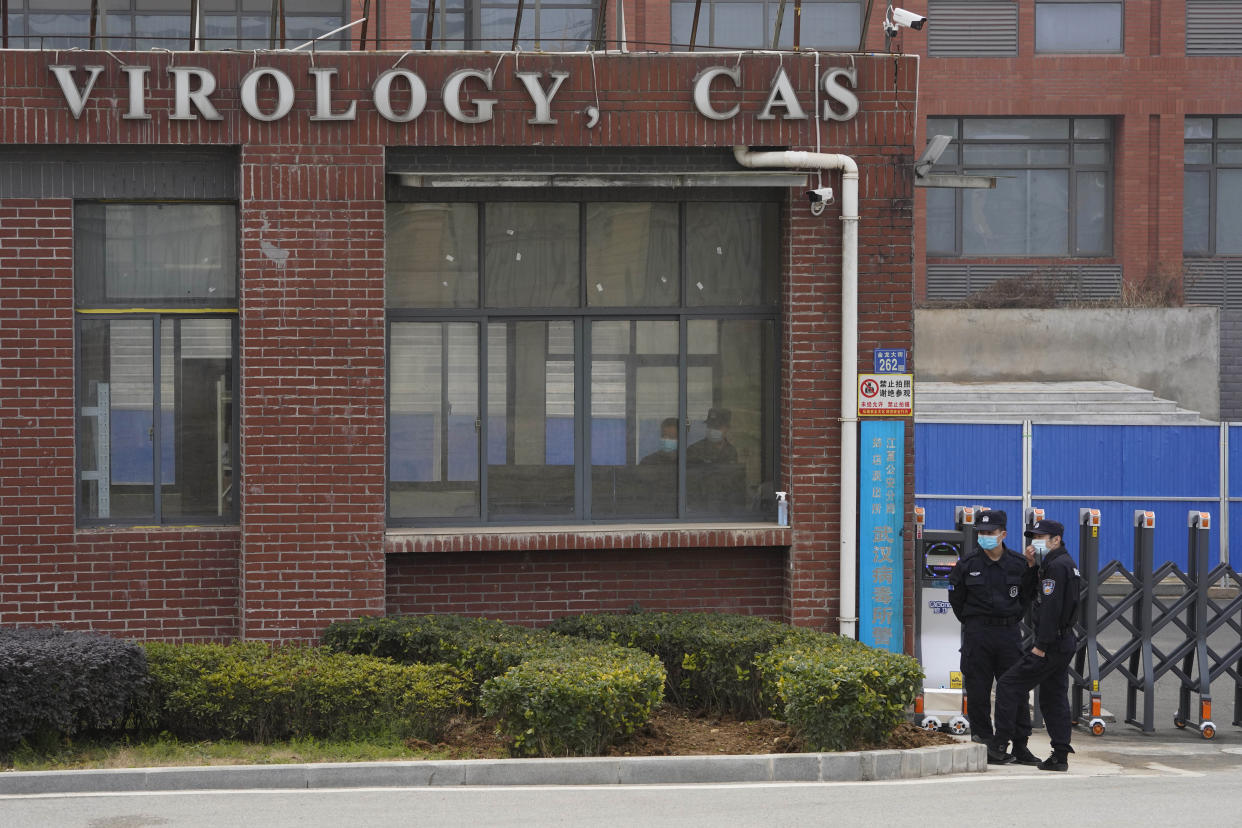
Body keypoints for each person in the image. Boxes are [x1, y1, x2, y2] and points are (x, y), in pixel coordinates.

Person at [946, 509, 1040, 765]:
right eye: (982, 533)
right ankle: (986, 744)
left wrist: (1010, 617)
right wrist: (974, 623)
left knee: (1016, 691)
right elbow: (956, 601)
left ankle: (1020, 745)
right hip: (978, 634)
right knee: (978, 690)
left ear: (1003, 534)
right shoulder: (967, 565)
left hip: (1008, 634)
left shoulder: (1018, 564)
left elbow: (1026, 598)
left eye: (990, 533)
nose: (985, 536)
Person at [988, 518, 1082, 772]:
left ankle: (999, 746)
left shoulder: (1057, 566)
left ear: (1056, 540)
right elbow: (1029, 594)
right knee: (1053, 697)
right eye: (1033, 537)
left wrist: (1041, 645)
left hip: (1051, 644)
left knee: (1008, 685)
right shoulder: (1055, 564)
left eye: (1040, 538)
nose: (1034, 542)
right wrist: (1031, 565)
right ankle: (1060, 754)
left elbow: (1051, 610)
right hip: (1061, 642)